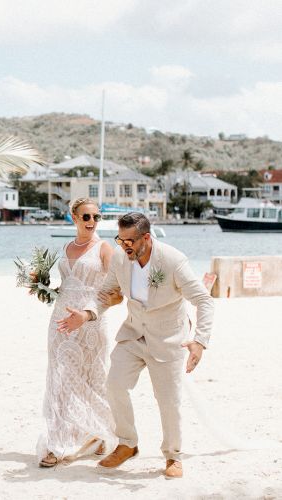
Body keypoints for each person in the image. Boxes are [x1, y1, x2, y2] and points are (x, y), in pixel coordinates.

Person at [56, 212, 214, 478]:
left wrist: (200, 341)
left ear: (146, 238)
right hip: (133, 335)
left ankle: (173, 456)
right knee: (115, 385)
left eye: (130, 240)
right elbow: (105, 294)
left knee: (168, 401)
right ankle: (127, 443)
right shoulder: (120, 258)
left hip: (168, 338)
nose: (124, 245)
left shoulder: (173, 261)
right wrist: (85, 314)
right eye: (120, 239)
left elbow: (204, 301)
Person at [38, 198, 122, 467]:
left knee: (93, 381)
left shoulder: (105, 248)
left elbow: (117, 292)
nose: (92, 222)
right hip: (60, 322)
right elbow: (65, 286)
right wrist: (42, 287)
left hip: (91, 324)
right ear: (73, 217)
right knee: (59, 381)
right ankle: (56, 444)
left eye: (97, 217)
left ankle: (99, 434)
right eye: (86, 217)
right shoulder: (66, 247)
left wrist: (87, 314)